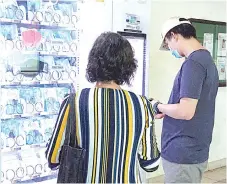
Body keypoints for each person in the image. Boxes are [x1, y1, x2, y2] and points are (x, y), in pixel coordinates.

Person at [45, 32, 161, 183]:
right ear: (128, 66)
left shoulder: (73, 101)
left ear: (93, 62)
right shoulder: (142, 104)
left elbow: (53, 158)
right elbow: (151, 164)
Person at [155, 17, 219, 183]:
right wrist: (167, 109)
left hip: (182, 154)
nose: (170, 49)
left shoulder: (193, 63)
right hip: (194, 149)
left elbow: (185, 111)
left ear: (175, 35)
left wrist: (159, 106)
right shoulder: (207, 60)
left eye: (168, 43)